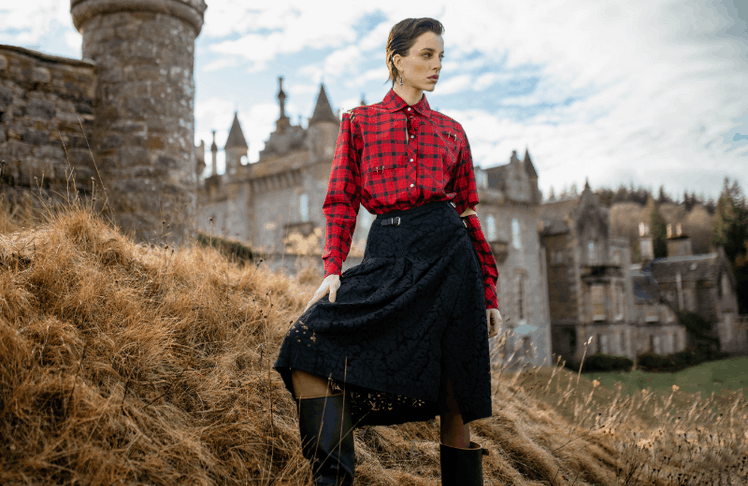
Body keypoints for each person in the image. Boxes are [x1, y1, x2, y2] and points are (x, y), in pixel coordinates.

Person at [274, 17, 502, 486]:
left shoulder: (453, 131)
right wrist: (333, 268)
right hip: (387, 255)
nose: (437, 65)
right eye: (426, 55)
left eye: (441, 56)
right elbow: (341, 200)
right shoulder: (358, 121)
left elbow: (467, 214)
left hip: (450, 259)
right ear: (397, 60)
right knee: (305, 342)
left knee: (456, 392)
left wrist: (489, 290)